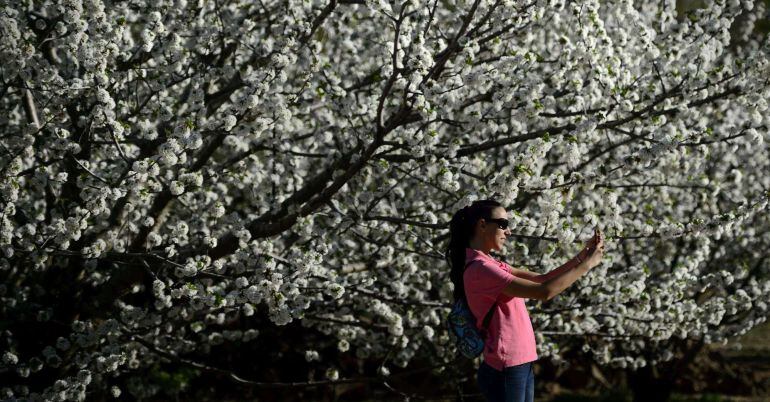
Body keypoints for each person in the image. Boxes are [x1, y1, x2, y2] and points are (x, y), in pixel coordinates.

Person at [445, 199, 605, 402]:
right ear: (482, 225)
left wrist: (583, 256)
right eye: (503, 224)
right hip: (506, 366)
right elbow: (544, 291)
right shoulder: (481, 269)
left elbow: (542, 278)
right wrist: (587, 266)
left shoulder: (490, 263)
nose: (508, 231)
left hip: (518, 363)